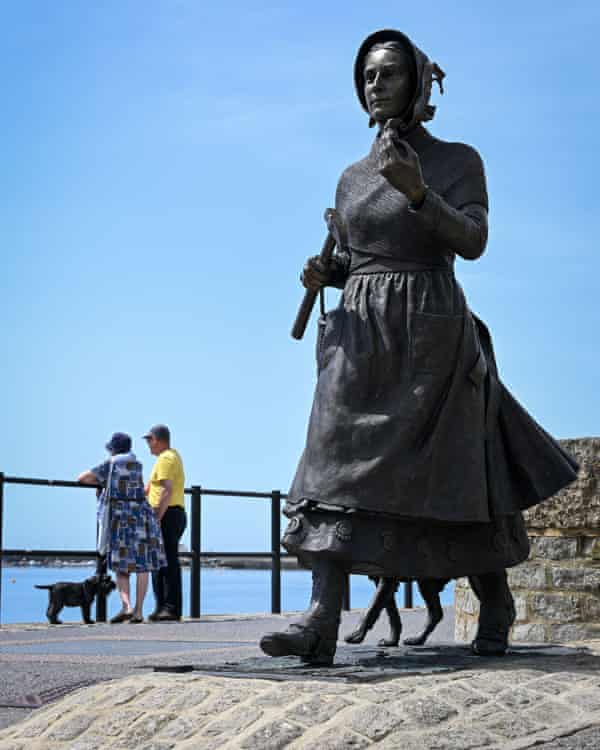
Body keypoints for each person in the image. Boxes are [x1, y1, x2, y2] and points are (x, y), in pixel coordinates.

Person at [260, 29, 578, 665]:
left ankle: (496, 599)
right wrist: (330, 272)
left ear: (420, 84)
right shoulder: (351, 178)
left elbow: (473, 240)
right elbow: (357, 255)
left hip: (431, 329)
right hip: (359, 333)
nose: (375, 86)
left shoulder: (460, 160)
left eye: (388, 74)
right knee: (330, 457)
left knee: (455, 469)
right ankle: (322, 618)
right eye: (368, 76)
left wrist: (417, 190)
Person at [78, 432, 165, 623]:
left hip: (121, 517)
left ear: (113, 448)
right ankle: (139, 611)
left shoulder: (111, 463)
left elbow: (82, 478)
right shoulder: (138, 464)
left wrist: (102, 482)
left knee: (121, 563)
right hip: (141, 514)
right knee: (143, 565)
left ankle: (126, 605)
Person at [143, 424, 187, 621]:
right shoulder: (172, 456)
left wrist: (156, 517)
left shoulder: (165, 459)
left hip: (167, 514)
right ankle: (163, 607)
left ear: (157, 440)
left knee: (165, 563)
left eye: (149, 440)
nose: (148, 445)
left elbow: (166, 490)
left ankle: (169, 608)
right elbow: (150, 487)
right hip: (171, 513)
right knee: (161, 563)